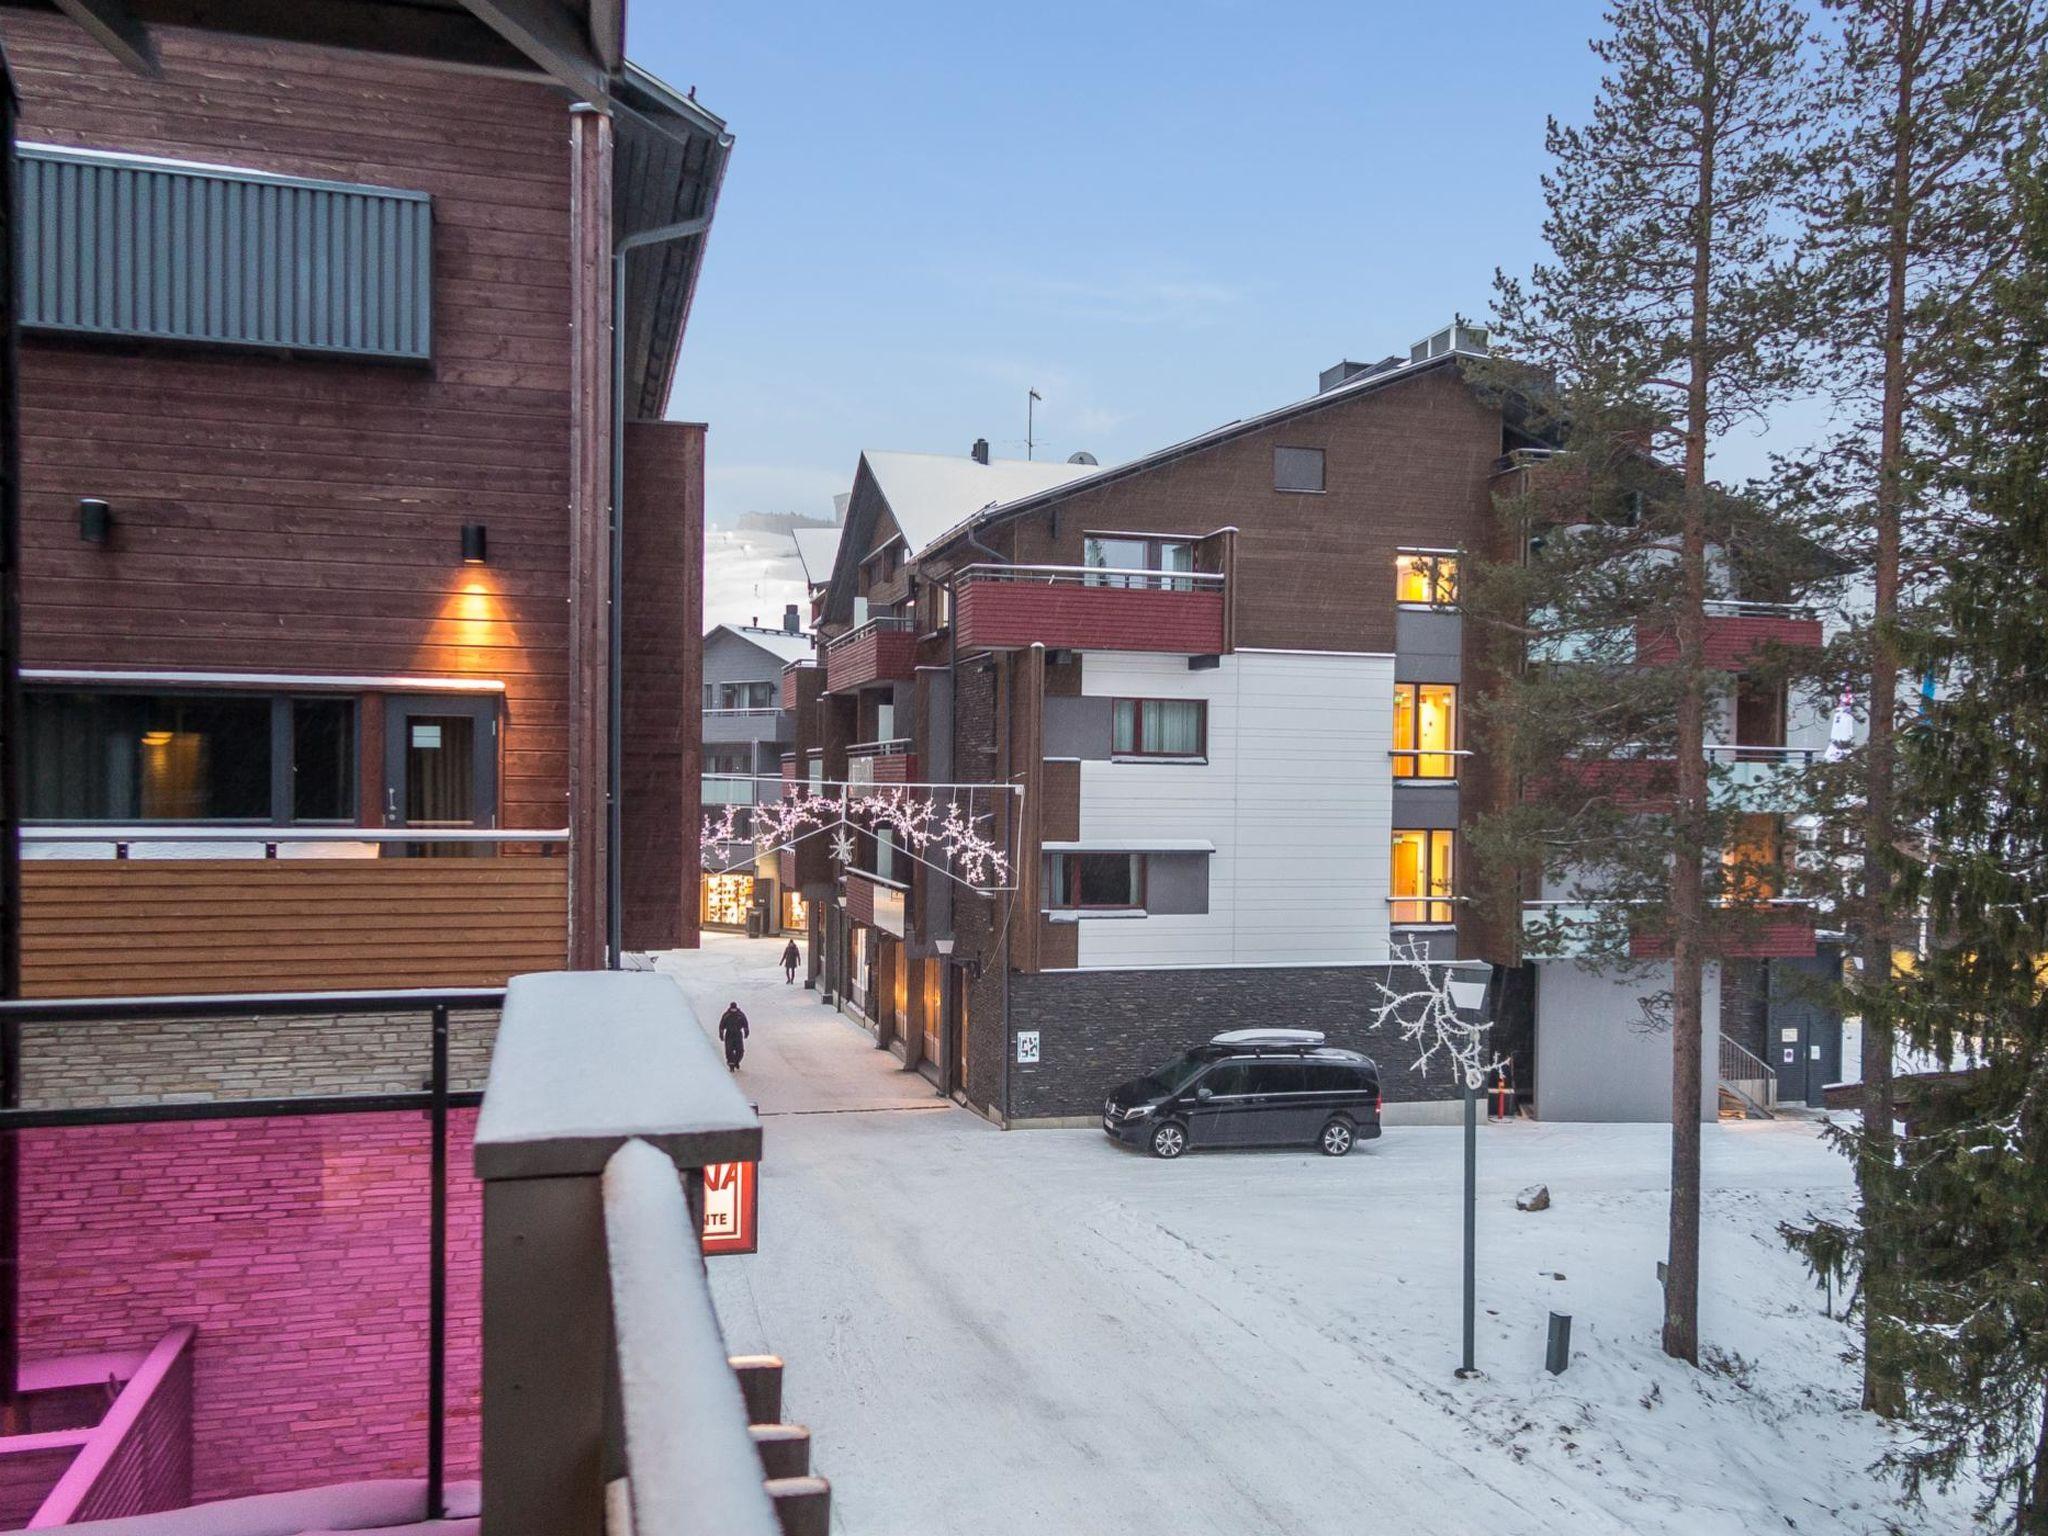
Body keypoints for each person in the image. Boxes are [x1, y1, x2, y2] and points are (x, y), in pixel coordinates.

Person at [718, 1001, 749, 1072]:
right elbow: (722, 1025)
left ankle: (736, 1061)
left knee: (740, 1050)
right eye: (732, 1009)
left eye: (734, 1009)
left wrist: (746, 1031)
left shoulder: (740, 1015)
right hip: (729, 1034)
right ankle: (731, 1064)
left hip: (738, 1034)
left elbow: (745, 1023)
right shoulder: (726, 1015)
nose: (733, 1010)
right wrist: (721, 1034)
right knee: (729, 1050)